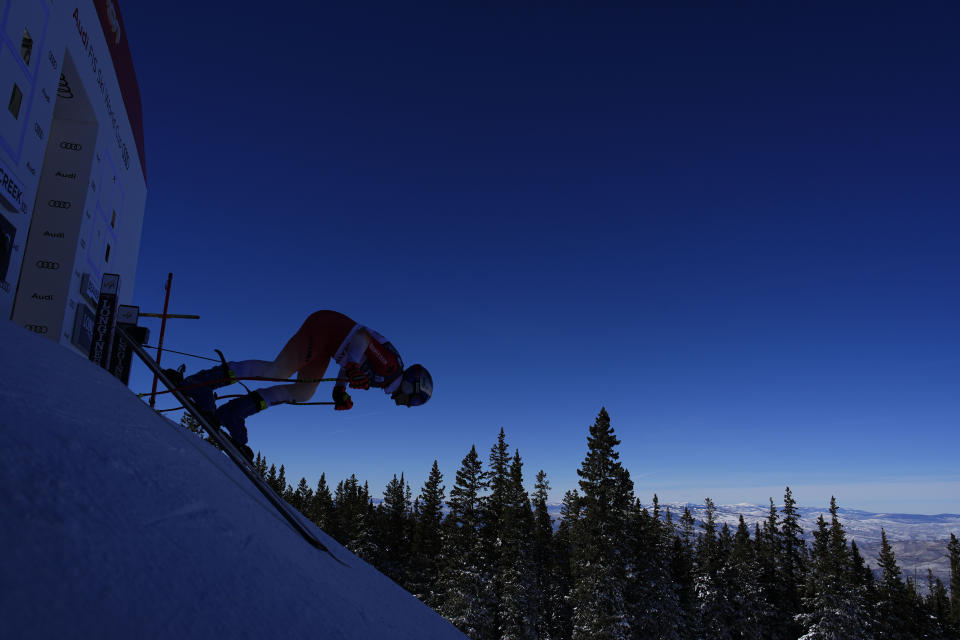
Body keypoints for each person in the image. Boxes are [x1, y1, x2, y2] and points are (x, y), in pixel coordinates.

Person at [174, 310, 432, 459]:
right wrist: (352, 366)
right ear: (410, 386)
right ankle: (202, 383)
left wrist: (339, 390)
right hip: (326, 330)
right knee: (279, 371)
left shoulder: (384, 379)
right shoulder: (390, 368)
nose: (411, 405)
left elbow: (353, 361)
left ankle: (235, 411)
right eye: (416, 399)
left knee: (304, 392)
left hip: (330, 345)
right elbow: (362, 338)